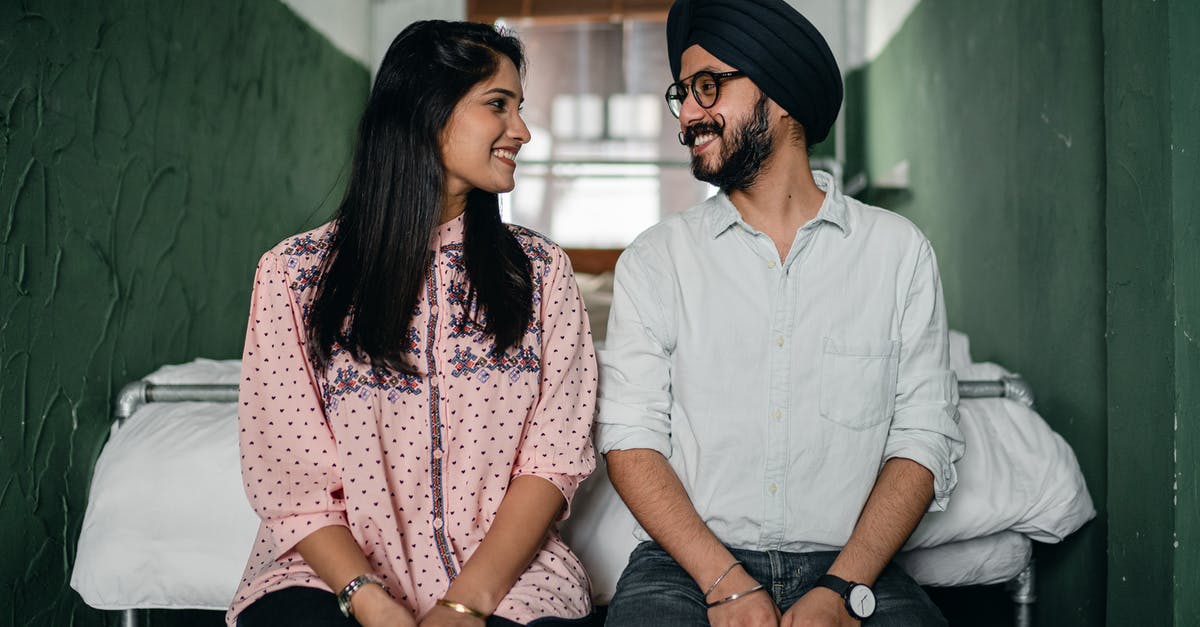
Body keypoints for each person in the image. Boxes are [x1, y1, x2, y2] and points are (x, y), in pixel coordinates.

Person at [597, 1, 966, 625]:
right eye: (681, 95)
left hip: (851, 565)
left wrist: (840, 588)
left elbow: (923, 437)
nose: (688, 115)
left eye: (707, 87)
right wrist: (725, 582)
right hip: (685, 567)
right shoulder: (656, 261)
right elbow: (631, 440)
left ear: (784, 93)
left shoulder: (897, 253)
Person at [226, 20, 601, 627]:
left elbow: (552, 461)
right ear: (427, 111)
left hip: (506, 581)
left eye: (520, 108)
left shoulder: (539, 273)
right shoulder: (294, 276)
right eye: (498, 105)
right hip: (332, 579)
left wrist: (462, 604)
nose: (523, 131)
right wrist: (372, 603)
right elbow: (291, 483)